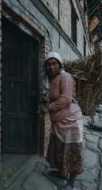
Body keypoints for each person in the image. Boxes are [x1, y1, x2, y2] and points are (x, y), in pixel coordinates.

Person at [38, 52, 84, 190]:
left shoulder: (65, 77)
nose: (51, 67)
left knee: (73, 150)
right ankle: (61, 173)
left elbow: (65, 99)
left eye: (54, 63)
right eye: (49, 64)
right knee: (60, 148)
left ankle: (71, 183)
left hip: (71, 121)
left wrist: (47, 108)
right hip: (59, 121)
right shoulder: (51, 81)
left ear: (59, 65)